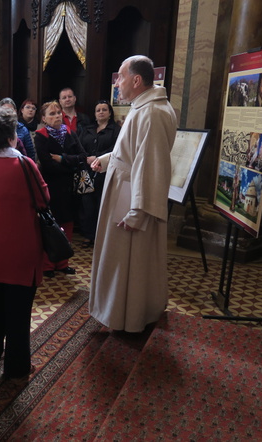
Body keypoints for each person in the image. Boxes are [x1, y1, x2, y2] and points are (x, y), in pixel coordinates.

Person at [89, 55, 177, 333]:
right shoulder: (144, 108)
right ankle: (119, 314)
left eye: (121, 77)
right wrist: (106, 160)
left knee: (127, 263)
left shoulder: (152, 112)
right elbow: (132, 151)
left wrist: (137, 213)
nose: (117, 83)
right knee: (121, 262)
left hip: (130, 201)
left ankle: (128, 319)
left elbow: (150, 165)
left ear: (137, 80)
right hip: (125, 192)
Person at [0, 106, 48, 379]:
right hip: (18, 250)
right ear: (11, 136)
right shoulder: (24, 165)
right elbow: (43, 200)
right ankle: (16, 368)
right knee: (17, 313)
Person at [34, 101, 89, 278]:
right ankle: (48, 264)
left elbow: (82, 157)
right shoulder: (41, 135)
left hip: (69, 187)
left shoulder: (70, 133)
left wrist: (63, 158)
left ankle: (63, 263)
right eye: (52, 113)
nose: (57, 116)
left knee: (68, 224)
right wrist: (70, 165)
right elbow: (47, 165)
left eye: (58, 112)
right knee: (51, 225)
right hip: (51, 187)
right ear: (43, 118)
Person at [78, 100, 120, 247]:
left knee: (102, 205)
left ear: (109, 113)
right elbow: (79, 146)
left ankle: (100, 236)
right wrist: (87, 158)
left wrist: (98, 158)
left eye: (104, 110)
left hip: (105, 172)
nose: (101, 112)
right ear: (95, 114)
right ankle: (87, 236)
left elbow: (116, 149)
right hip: (86, 172)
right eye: (98, 110)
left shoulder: (115, 130)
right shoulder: (87, 129)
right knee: (86, 205)